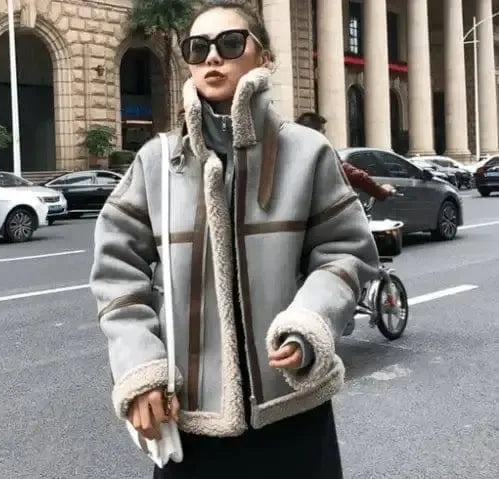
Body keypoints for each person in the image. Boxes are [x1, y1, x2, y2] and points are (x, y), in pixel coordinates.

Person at [90, 3, 379, 478]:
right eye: (197, 47)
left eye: (230, 43)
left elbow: (346, 251)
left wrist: (310, 322)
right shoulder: (157, 162)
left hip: (293, 410)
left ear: (264, 57)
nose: (212, 57)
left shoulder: (307, 152)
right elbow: (116, 272)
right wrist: (140, 369)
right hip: (191, 418)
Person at [296, 112, 395, 200]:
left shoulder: (292, 150)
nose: (325, 137)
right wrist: (381, 191)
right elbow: (353, 175)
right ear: (316, 133)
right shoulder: (320, 150)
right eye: (323, 132)